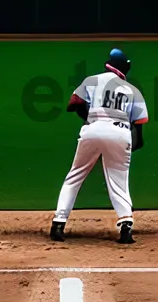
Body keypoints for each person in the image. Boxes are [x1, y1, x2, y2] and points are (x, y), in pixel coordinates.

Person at [49, 47, 148, 244]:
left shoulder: (92, 80)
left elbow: (73, 104)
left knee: (75, 176)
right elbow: (140, 121)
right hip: (121, 132)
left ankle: (59, 223)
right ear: (124, 68)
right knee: (119, 181)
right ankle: (126, 226)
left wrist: (90, 118)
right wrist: (136, 141)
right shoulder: (132, 90)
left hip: (93, 129)